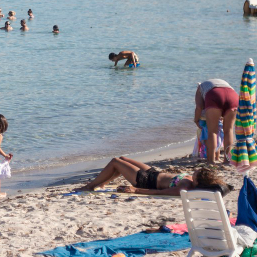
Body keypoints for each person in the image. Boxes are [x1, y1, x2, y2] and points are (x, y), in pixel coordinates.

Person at [80, 157, 229, 196]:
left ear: (199, 179)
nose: (194, 172)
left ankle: (90, 186)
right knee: (122, 159)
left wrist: (136, 190)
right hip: (153, 173)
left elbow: (161, 192)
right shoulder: (190, 181)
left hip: (146, 181)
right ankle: (103, 182)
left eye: (196, 173)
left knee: (115, 162)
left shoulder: (186, 186)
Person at [193, 79, 238, 164]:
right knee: (229, 130)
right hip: (233, 96)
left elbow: (199, 107)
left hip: (214, 95)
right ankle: (227, 160)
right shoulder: (221, 82)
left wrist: (196, 120)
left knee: (212, 131)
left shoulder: (200, 87)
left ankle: (211, 160)